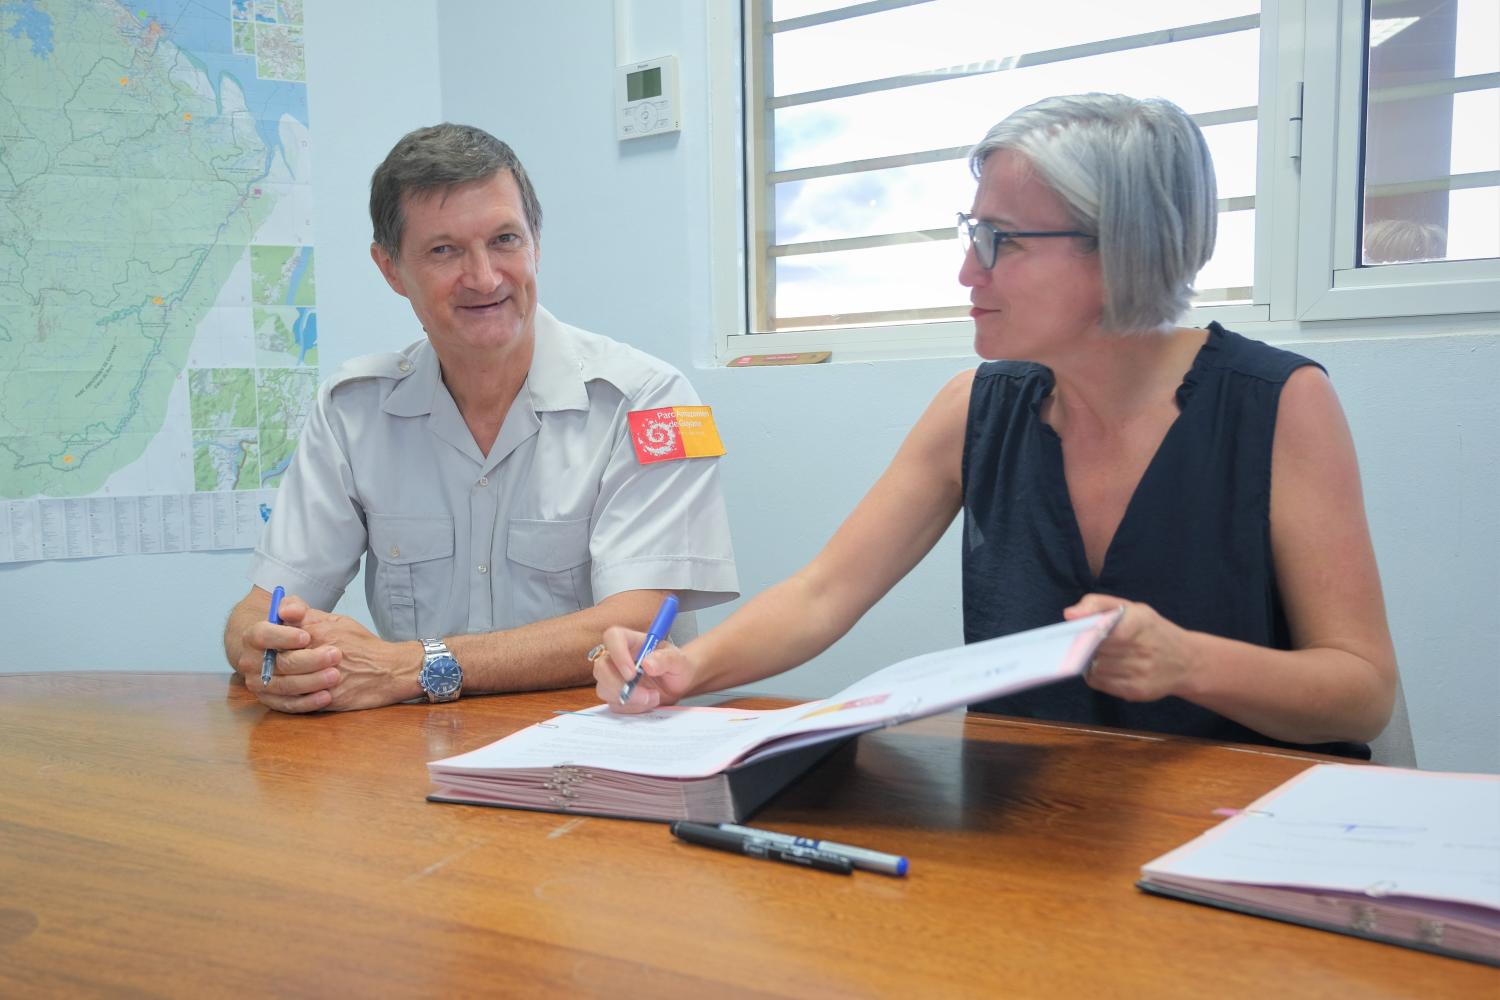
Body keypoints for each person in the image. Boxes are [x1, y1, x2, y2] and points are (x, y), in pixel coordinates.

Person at [595, 93, 1397, 758]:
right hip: (1035, 827)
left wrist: (1187, 661)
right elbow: (823, 593)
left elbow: (1360, 695)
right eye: (972, 234)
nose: (966, 271)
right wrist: (685, 668)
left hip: (1236, 834)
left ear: (1122, 246)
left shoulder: (1279, 401)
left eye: (1000, 240)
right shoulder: (975, 407)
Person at [224, 123, 738, 713]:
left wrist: (414, 666)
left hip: (603, 743)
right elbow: (262, 605)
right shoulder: (352, 412)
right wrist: (269, 650)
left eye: (504, 240)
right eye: (444, 250)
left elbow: (637, 621)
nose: (485, 277)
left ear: (536, 244)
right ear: (390, 269)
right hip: (418, 756)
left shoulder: (649, 400)